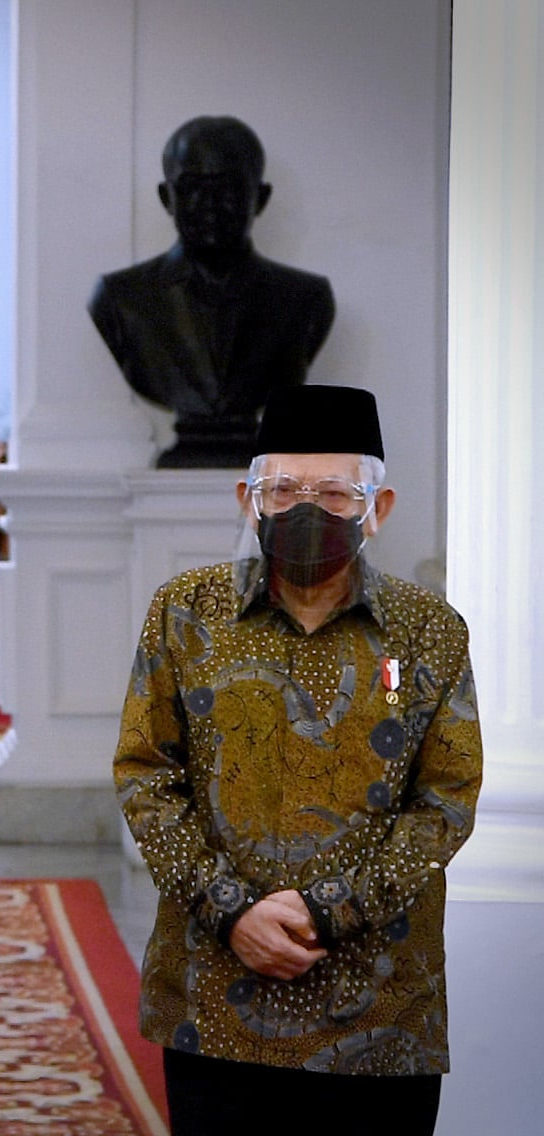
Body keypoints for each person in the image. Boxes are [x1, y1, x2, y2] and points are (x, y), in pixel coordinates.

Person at [114, 384, 481, 1135]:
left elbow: (446, 798)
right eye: (284, 489)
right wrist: (232, 911)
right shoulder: (186, 612)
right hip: (214, 996)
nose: (305, 509)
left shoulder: (428, 631)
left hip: (380, 1009)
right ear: (248, 498)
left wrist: (326, 909)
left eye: (336, 493)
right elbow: (146, 773)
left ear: (377, 509)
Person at [88, 116, 335, 468]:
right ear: (166, 197)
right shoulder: (119, 299)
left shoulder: (306, 301)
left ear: (260, 198)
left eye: (230, 188)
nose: (210, 204)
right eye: (191, 187)